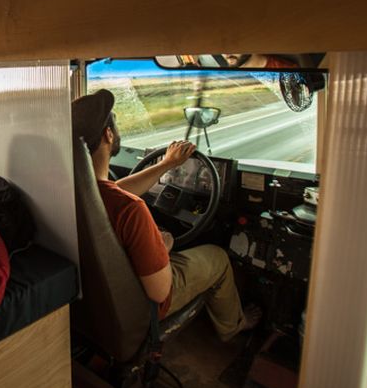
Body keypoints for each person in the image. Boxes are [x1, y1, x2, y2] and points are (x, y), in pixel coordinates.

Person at [72, 89, 261, 342]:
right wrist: (164, 244)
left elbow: (112, 191)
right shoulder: (130, 209)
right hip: (140, 304)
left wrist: (166, 165)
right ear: (108, 135)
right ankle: (234, 326)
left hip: (92, 298)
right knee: (218, 257)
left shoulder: (75, 191)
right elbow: (160, 291)